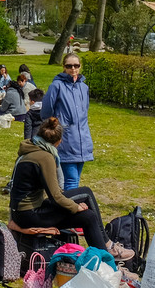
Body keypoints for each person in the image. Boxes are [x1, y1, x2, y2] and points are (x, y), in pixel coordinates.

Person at [7, 117, 128, 257]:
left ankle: (105, 255)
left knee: (87, 215)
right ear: (58, 141)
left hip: (21, 212)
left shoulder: (29, 149)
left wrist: (73, 204)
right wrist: (75, 206)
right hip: (28, 215)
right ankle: (108, 248)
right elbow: (56, 196)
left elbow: (54, 193)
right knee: (87, 195)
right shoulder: (44, 157)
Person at [40, 52, 92, 190]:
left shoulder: (83, 87)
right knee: (71, 180)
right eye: (69, 66)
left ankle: (66, 206)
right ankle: (71, 209)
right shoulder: (56, 86)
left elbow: (84, 111)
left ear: (80, 66)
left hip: (82, 139)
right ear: (64, 67)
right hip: (66, 139)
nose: (73, 69)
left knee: (75, 179)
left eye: (76, 65)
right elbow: (45, 112)